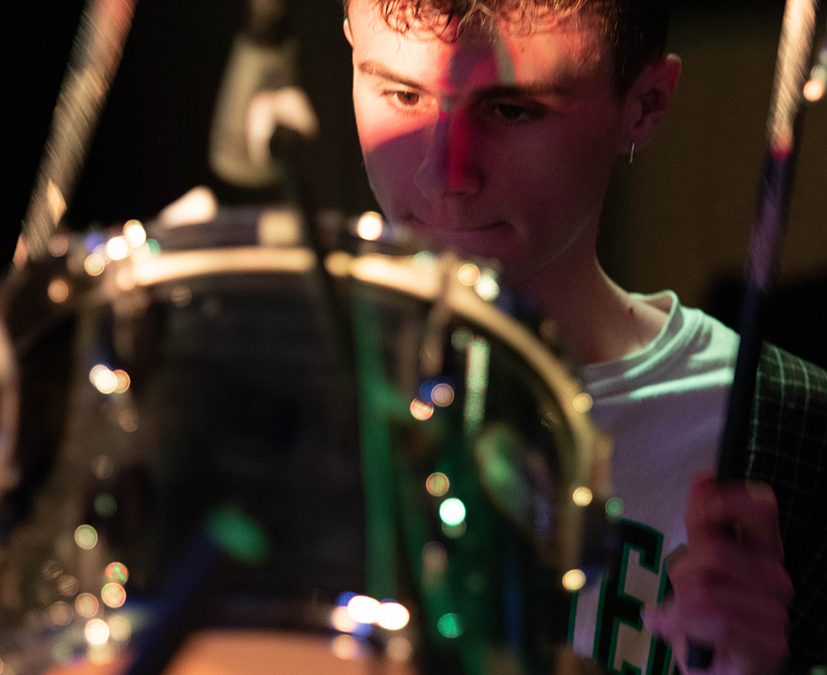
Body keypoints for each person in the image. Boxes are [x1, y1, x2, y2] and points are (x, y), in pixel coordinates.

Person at [342, 0, 827, 672]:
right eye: (402, 94)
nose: (444, 174)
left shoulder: (788, 433)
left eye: (511, 110)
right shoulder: (257, 375)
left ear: (646, 104)